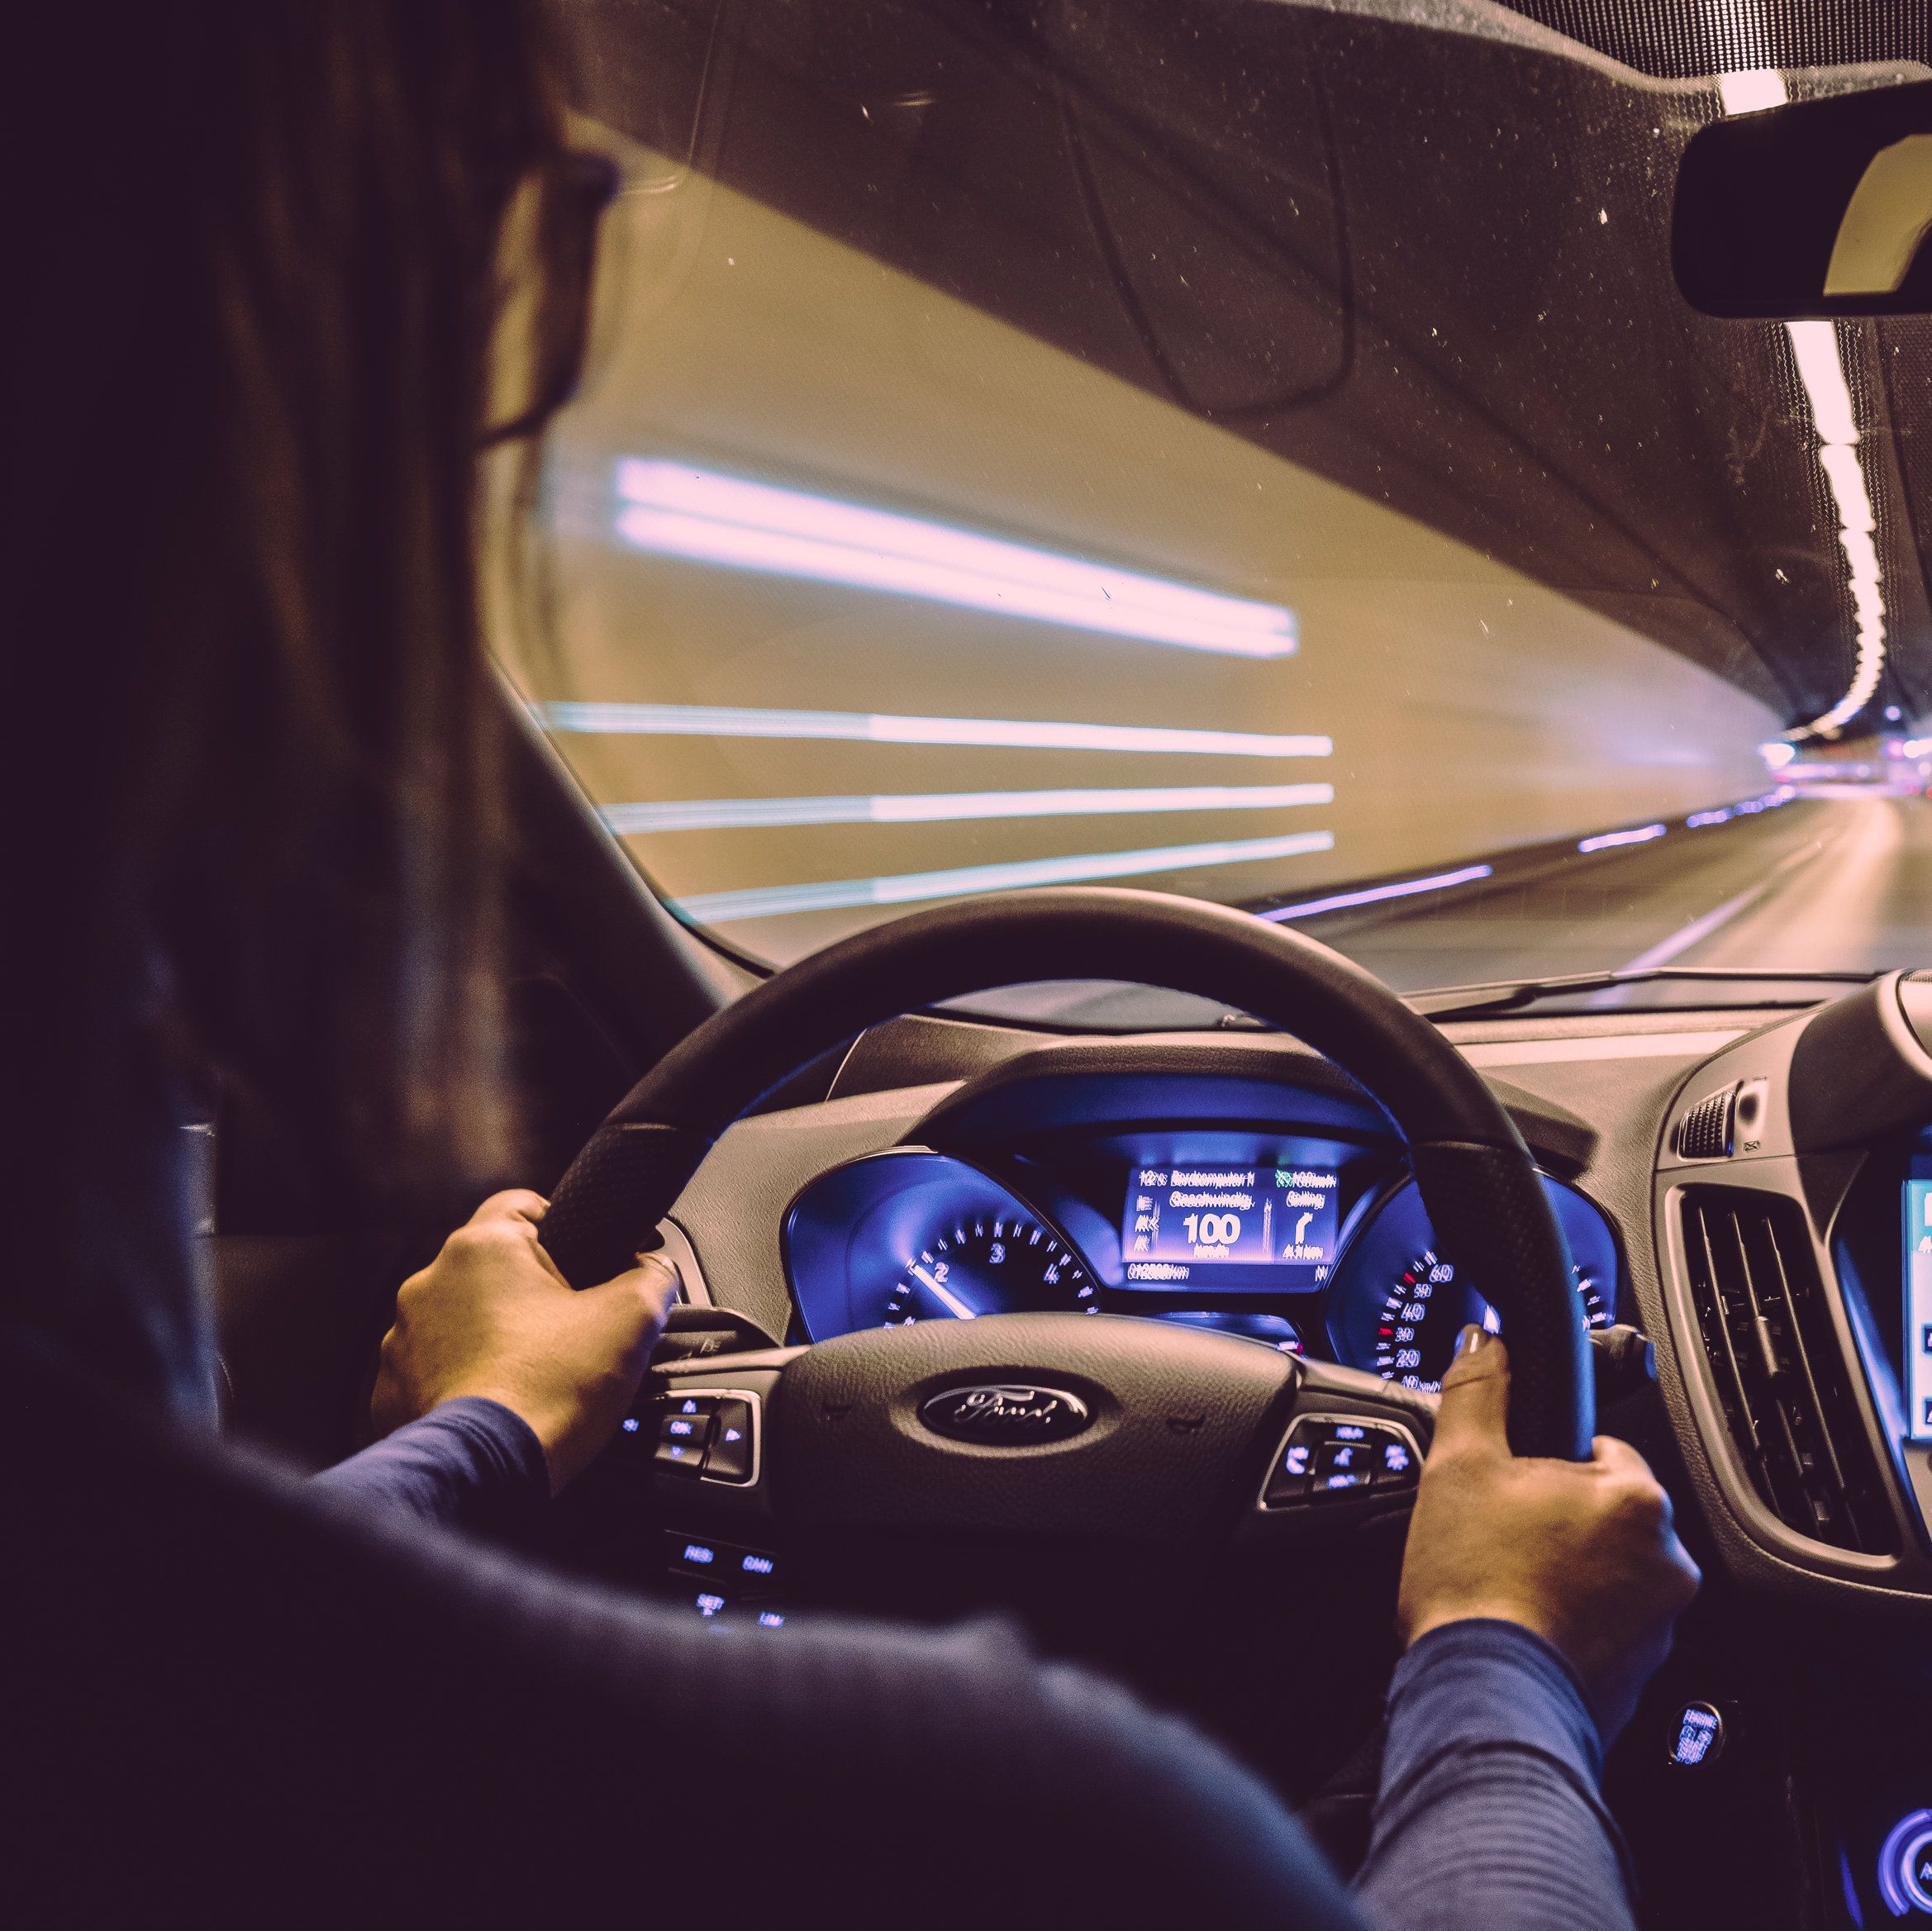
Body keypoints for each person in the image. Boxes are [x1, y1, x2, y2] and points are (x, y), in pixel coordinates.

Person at [0, 4, 1697, 1922]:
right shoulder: (1034, 1828)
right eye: (516, 231)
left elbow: (215, 1630)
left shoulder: (123, 1706)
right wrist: (1497, 1654)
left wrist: (477, 1433)